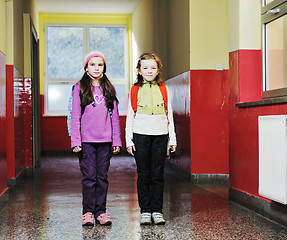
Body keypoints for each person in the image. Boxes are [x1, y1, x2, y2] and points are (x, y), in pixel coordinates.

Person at [70, 51, 122, 226]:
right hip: (86, 143)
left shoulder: (109, 88)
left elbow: (114, 116)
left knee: (102, 177)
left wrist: (116, 140)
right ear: (86, 67)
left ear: (104, 67)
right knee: (89, 177)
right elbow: (74, 116)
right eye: (92, 64)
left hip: (105, 142)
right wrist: (75, 141)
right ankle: (88, 212)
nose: (96, 68)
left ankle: (101, 211)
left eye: (99, 64)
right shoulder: (79, 88)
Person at [125, 52, 177, 225]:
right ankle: (145, 211)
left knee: (157, 175)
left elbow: (169, 114)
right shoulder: (134, 90)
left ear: (158, 70)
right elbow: (130, 117)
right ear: (139, 70)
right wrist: (128, 140)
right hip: (140, 136)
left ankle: (157, 211)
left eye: (153, 67)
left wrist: (172, 139)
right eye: (145, 67)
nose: (149, 70)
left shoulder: (163, 89)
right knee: (143, 175)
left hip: (161, 136)